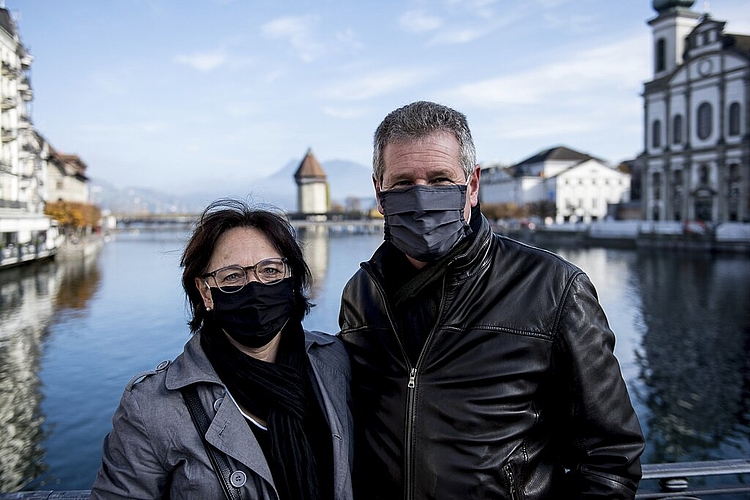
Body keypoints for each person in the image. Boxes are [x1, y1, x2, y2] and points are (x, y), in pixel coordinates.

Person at [337, 101, 645, 499]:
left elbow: (611, 458)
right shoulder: (361, 293)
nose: (422, 199)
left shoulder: (553, 287)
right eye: (402, 184)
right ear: (379, 193)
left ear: (473, 184)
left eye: (440, 180)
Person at [92, 198, 353, 499]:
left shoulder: (335, 363)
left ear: (290, 278)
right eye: (232, 276)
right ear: (205, 292)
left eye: (270, 271)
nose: (254, 287)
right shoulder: (152, 407)